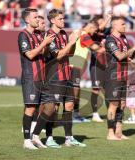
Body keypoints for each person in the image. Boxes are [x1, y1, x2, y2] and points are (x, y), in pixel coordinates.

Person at [32, 9, 86, 148]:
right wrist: (71, 41)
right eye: (60, 19)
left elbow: (70, 53)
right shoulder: (48, 35)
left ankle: (69, 138)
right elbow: (58, 55)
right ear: (52, 20)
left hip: (67, 74)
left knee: (69, 106)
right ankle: (47, 137)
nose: (63, 21)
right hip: (55, 77)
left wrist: (74, 42)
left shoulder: (63, 34)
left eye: (63, 18)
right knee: (52, 108)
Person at [17, 8, 54, 149]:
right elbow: (30, 55)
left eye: (38, 17)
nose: (38, 19)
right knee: (31, 108)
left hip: (42, 77)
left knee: (50, 106)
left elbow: (43, 54)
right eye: (35, 17)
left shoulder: (38, 35)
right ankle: (27, 140)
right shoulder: (23, 35)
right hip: (30, 77)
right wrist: (44, 44)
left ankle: (36, 135)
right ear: (27, 20)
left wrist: (47, 43)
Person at [105, 16, 135, 140]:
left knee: (122, 104)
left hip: (123, 76)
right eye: (122, 24)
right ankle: (110, 133)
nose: (125, 26)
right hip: (113, 77)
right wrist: (133, 48)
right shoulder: (110, 40)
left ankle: (119, 132)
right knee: (113, 104)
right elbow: (120, 56)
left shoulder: (124, 39)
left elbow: (129, 55)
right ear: (115, 26)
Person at [69, 18, 106, 123]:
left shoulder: (81, 32)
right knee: (74, 91)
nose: (95, 33)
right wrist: (109, 47)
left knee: (77, 90)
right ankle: (70, 115)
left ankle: (75, 114)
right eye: (95, 30)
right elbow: (96, 48)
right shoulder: (84, 35)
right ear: (91, 27)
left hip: (76, 64)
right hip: (74, 64)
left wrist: (107, 18)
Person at [89, 14, 112, 122]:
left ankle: (110, 113)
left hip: (106, 65)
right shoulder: (93, 35)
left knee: (108, 90)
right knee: (96, 90)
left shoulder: (106, 33)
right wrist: (108, 17)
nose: (105, 23)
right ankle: (95, 113)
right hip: (96, 66)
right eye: (101, 21)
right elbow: (100, 28)